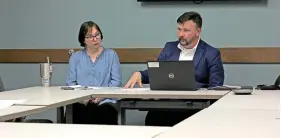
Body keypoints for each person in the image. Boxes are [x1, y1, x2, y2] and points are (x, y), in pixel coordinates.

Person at [124, 11, 225, 126]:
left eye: (186, 30)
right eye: (179, 29)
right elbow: (157, 72)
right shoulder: (169, 47)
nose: (181, 34)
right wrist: (140, 74)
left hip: (193, 108)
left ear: (198, 32)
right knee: (153, 117)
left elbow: (216, 87)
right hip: (166, 104)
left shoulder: (211, 53)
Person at [66, 21, 122, 125]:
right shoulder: (75, 57)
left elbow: (116, 82)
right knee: (78, 111)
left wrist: (100, 97)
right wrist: (84, 98)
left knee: (104, 112)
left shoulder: (111, 55)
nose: (95, 39)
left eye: (97, 35)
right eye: (90, 36)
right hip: (81, 100)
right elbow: (70, 83)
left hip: (105, 100)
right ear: (83, 40)